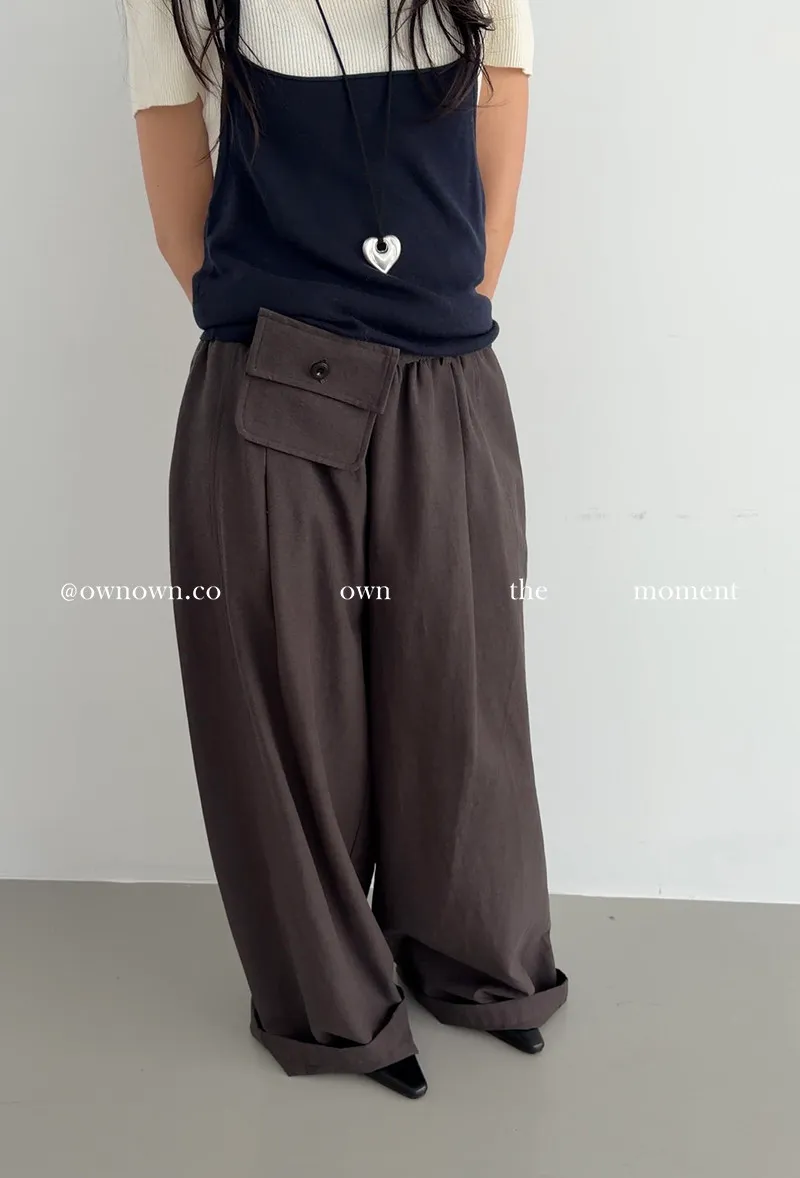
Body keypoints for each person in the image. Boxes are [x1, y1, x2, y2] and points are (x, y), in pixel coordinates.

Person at [122, 0, 568, 1100]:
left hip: (444, 383)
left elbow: (497, 175)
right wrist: (281, 338)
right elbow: (180, 212)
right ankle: (333, 1006)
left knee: (459, 699)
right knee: (287, 727)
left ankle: (476, 965)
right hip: (268, 379)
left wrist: (427, 328)